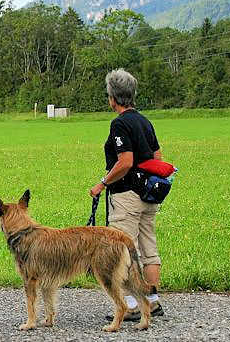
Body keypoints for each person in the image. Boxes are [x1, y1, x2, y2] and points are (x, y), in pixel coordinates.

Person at [89, 68, 165, 320]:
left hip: (126, 195)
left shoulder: (119, 123)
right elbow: (157, 158)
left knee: (124, 249)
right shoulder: (145, 121)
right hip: (148, 195)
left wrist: (102, 183)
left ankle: (132, 305)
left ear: (113, 98)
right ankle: (152, 302)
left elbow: (125, 161)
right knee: (149, 249)